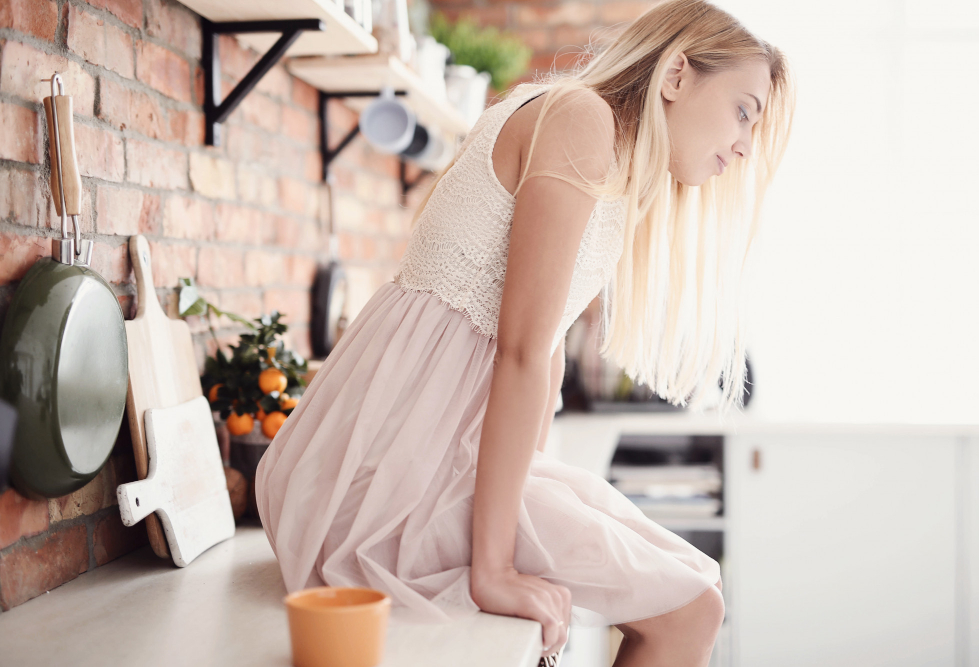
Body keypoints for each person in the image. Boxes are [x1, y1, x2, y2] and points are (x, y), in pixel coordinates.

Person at [256, 1, 795, 665]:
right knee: (693, 610)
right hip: (393, 470)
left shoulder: (615, 166)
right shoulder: (581, 119)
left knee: (700, 587)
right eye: (744, 110)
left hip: (428, 453)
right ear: (677, 74)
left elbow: (538, 356)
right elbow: (520, 351)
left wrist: (529, 501)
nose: (745, 145)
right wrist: (495, 566)